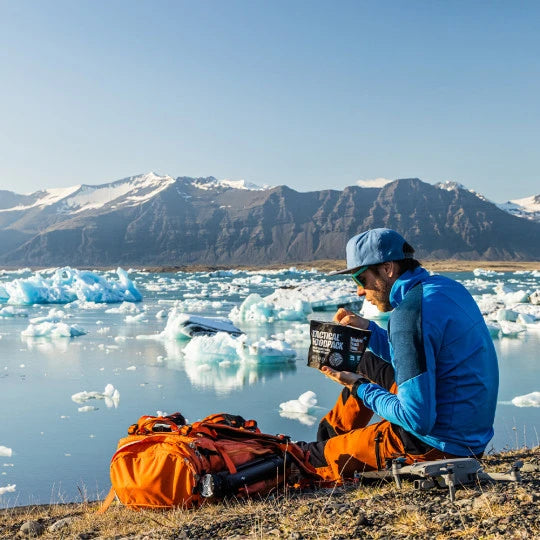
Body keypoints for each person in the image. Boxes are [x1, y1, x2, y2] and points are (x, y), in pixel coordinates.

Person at [299, 228, 499, 482]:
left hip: (437, 446)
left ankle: (325, 450)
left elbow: (417, 420)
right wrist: (370, 331)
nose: (360, 291)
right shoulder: (445, 288)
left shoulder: (408, 316)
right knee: (364, 361)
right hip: (468, 433)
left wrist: (358, 386)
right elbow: (422, 354)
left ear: (388, 269)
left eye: (361, 279)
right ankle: (333, 439)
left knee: (312, 458)